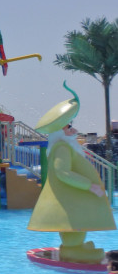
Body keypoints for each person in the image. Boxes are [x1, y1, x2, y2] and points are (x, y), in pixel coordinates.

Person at [27, 83, 115, 263]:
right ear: (59, 132)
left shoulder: (65, 146)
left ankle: (76, 246)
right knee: (72, 222)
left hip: (73, 197)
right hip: (70, 197)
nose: (74, 130)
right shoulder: (62, 148)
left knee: (78, 222)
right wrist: (89, 186)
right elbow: (63, 173)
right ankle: (72, 249)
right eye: (69, 127)